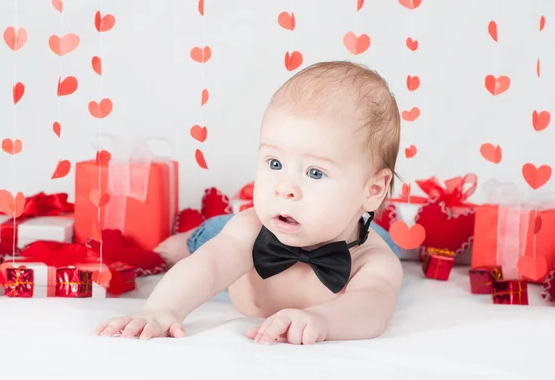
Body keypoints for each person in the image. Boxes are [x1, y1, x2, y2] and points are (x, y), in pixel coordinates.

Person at [95, 60, 404, 345]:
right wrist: (162, 309)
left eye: (314, 172)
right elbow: (211, 264)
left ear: (373, 189)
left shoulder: (373, 261)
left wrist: (322, 320)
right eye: (274, 163)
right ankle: (189, 237)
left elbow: (372, 307)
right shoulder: (252, 229)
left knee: (393, 246)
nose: (284, 188)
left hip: (355, 228)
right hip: (238, 227)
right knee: (211, 237)